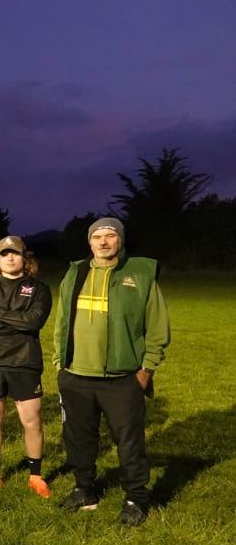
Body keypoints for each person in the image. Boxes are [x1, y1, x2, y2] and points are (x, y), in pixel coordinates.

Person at [53, 218, 170, 526]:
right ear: (89, 242)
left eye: (110, 236)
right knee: (78, 438)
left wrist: (146, 369)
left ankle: (135, 498)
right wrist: (59, 363)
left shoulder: (139, 274)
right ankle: (85, 489)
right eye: (97, 237)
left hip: (122, 378)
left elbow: (157, 326)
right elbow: (61, 319)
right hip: (76, 373)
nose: (103, 242)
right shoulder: (75, 272)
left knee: (129, 442)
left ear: (120, 241)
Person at [0, 236, 53, 497]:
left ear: (25, 258)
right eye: (4, 254)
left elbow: (34, 321)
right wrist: (16, 319)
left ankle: (36, 477)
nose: (10, 258)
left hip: (24, 362)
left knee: (31, 421)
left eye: (15, 253)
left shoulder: (39, 289)